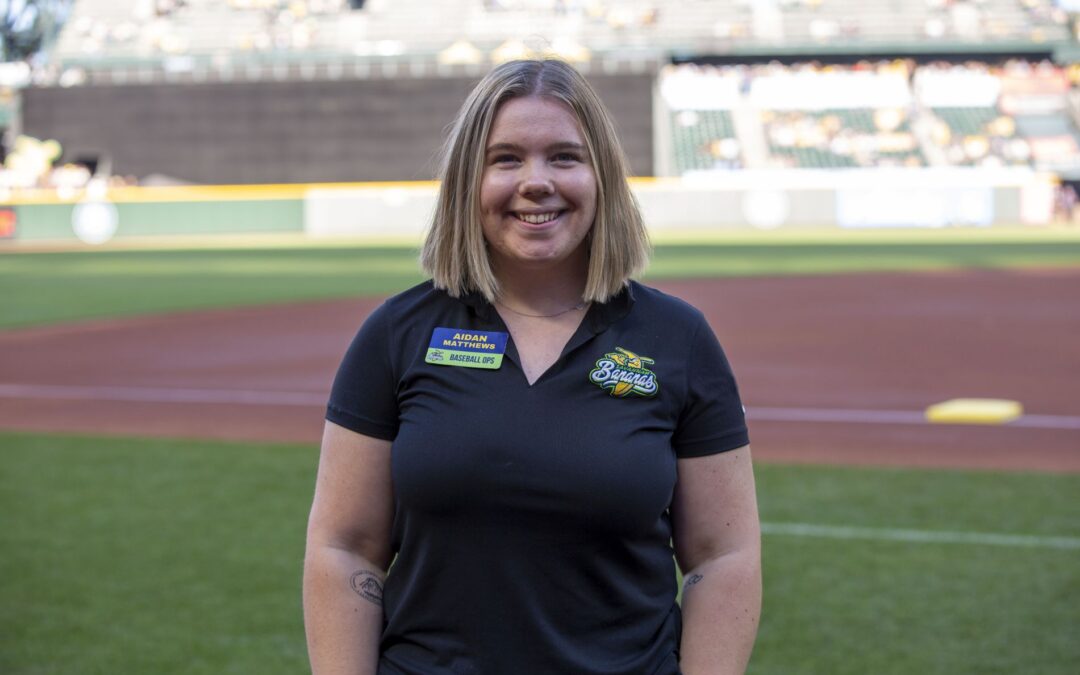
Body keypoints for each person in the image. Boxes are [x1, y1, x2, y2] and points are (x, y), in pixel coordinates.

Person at [303, 58, 761, 675]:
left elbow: (722, 554)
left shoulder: (678, 339)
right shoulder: (396, 334)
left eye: (565, 157)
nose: (536, 181)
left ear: (602, 177)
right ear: (469, 180)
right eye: (506, 159)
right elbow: (346, 549)